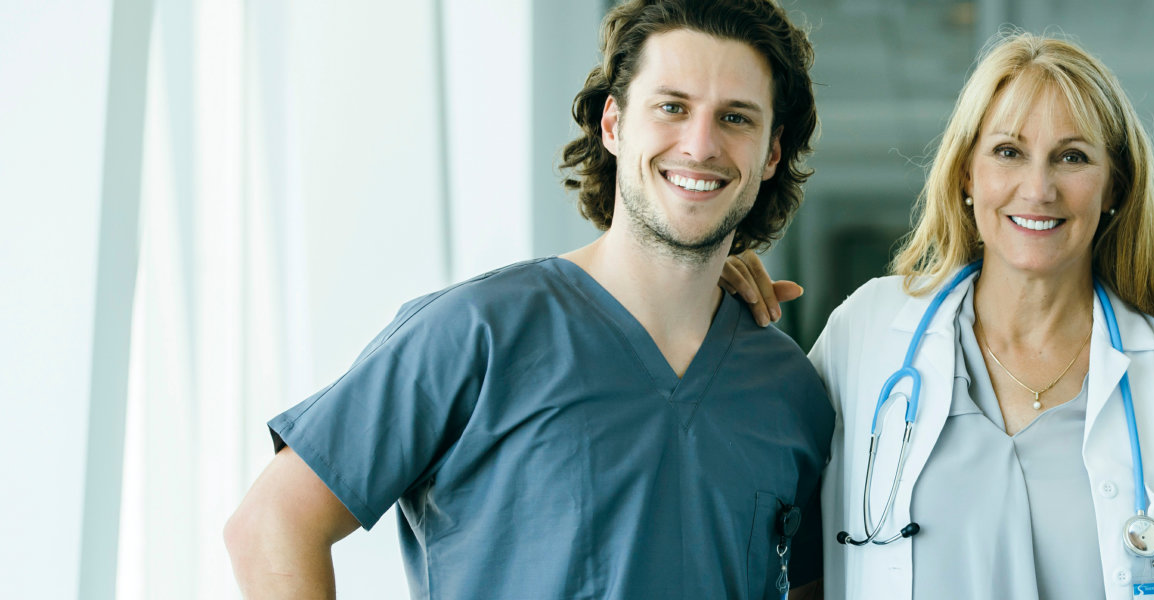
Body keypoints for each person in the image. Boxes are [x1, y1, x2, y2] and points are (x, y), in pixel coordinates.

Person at [222, 1, 833, 598]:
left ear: (772, 151)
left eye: (736, 118)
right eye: (672, 107)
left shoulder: (788, 390)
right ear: (614, 125)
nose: (700, 145)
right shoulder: (475, 333)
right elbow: (271, 526)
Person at [726, 32, 1154, 600]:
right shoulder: (869, 330)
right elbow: (778, 527)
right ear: (966, 176)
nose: (1039, 187)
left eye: (1072, 157)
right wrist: (708, 289)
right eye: (1008, 152)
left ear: (1114, 189)